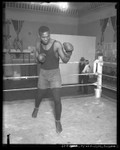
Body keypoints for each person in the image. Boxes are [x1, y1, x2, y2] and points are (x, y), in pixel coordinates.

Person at [32, 26, 74, 133]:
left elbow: (64, 60)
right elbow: (36, 60)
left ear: (49, 35)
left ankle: (58, 121)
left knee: (57, 99)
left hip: (55, 74)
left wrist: (69, 53)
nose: (46, 39)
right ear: (39, 36)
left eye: (47, 36)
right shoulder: (37, 44)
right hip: (43, 74)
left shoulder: (56, 44)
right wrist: (39, 58)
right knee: (39, 95)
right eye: (43, 37)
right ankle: (36, 108)